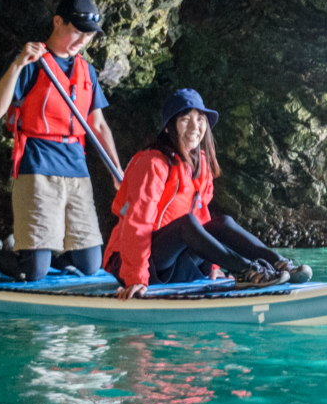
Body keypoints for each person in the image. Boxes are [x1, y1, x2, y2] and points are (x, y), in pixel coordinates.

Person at [0, 0, 122, 280]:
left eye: (89, 35)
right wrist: (18, 64)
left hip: (75, 167)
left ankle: (34, 249)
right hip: (37, 164)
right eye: (77, 31)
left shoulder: (87, 71)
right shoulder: (33, 63)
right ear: (58, 22)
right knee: (32, 272)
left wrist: (117, 171)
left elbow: (98, 125)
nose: (83, 40)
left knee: (89, 264)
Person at [106, 88, 313, 298]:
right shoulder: (152, 163)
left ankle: (278, 263)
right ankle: (246, 271)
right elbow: (137, 222)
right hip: (135, 261)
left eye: (200, 119)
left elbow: (202, 217)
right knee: (185, 223)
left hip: (176, 260)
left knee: (221, 222)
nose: (195, 127)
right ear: (168, 128)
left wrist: (214, 265)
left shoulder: (200, 164)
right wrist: (135, 278)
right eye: (185, 120)